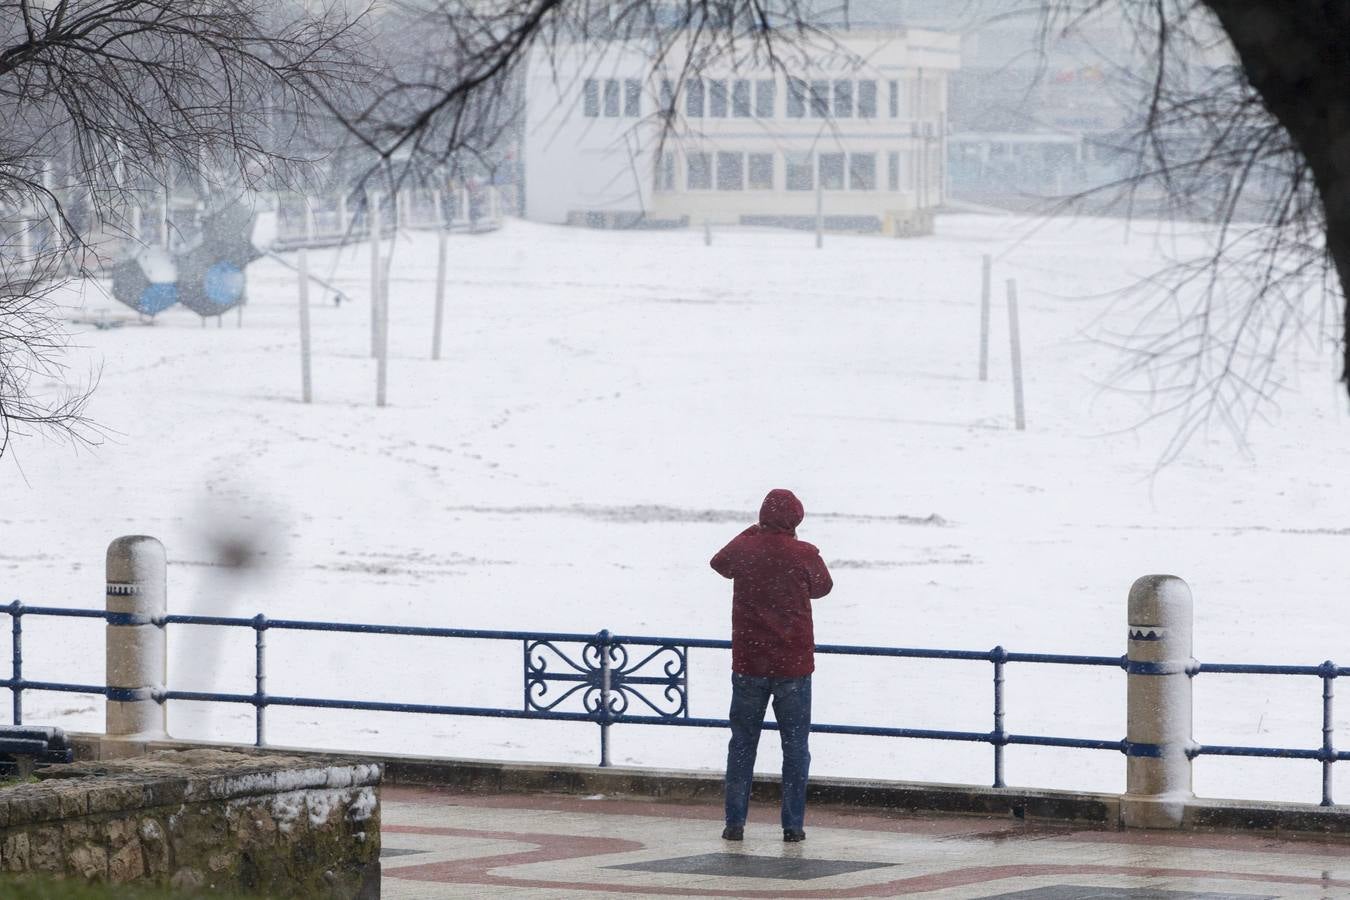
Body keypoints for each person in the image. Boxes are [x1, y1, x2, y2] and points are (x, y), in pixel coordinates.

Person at [710, 488, 833, 843]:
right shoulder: (804, 554)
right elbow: (823, 587)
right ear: (796, 519)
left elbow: (719, 563)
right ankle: (792, 826)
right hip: (793, 665)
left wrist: (753, 532)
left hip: (749, 663)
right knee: (795, 747)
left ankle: (735, 822)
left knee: (742, 744)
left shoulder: (746, 551)